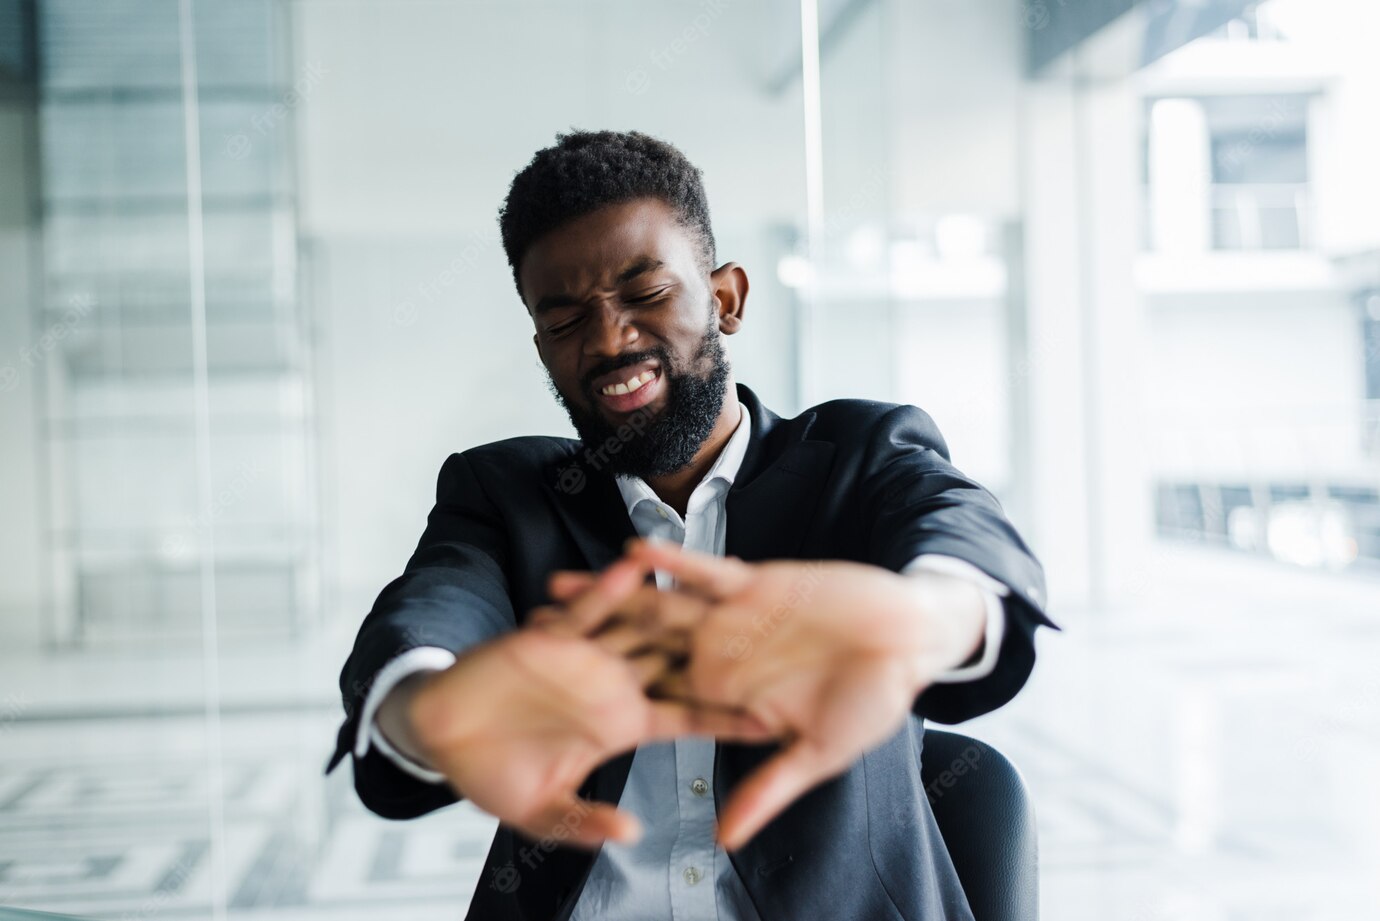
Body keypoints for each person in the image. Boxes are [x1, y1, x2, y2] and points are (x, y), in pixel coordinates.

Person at [326, 129, 1057, 921]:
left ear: (727, 299)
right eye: (567, 318)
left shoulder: (861, 453)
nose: (609, 338)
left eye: (645, 293)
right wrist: (430, 704)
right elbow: (429, 610)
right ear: (542, 344)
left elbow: (962, 530)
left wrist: (923, 617)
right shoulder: (503, 493)